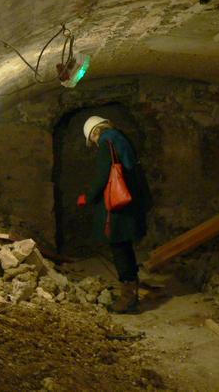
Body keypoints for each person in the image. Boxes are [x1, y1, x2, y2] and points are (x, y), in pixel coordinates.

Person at [77, 116, 152, 314]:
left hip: (118, 207)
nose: (94, 143)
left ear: (95, 132)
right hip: (131, 201)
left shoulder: (106, 143)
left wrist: (89, 197)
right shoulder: (121, 138)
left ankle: (128, 298)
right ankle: (131, 293)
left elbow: (103, 176)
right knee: (125, 246)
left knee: (118, 247)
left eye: (92, 139)